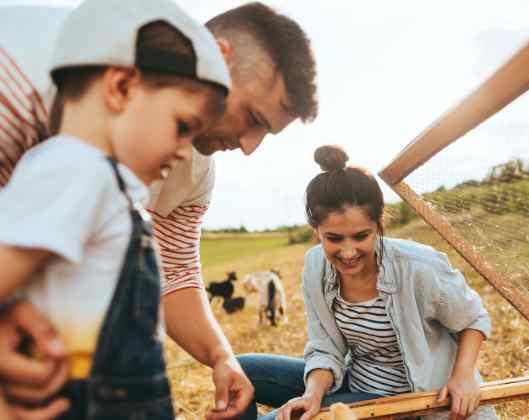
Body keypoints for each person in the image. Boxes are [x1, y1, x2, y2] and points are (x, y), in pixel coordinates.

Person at [0, 3, 318, 418]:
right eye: (254, 118)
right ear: (218, 58)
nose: (249, 146)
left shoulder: (191, 165)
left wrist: (221, 355)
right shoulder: (18, 72)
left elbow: (176, 272)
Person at [237, 145, 496, 420]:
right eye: (334, 238)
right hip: (355, 382)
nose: (348, 252)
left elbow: (472, 319)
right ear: (316, 232)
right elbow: (326, 347)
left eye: (361, 236)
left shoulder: (419, 266)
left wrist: (463, 377)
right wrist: (312, 395)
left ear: (379, 224)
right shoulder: (316, 266)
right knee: (239, 370)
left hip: (412, 401)